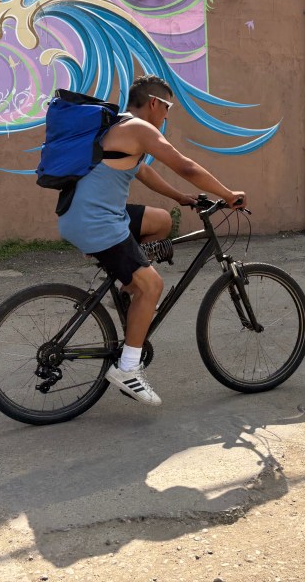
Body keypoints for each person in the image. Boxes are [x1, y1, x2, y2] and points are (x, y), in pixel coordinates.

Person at [57, 76, 245, 406]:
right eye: (168, 108)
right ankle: (128, 368)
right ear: (155, 103)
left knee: (160, 220)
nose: (167, 116)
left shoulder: (119, 125)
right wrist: (228, 195)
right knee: (153, 286)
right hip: (98, 222)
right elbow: (184, 165)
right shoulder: (142, 130)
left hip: (81, 214)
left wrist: (182, 198)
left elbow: (143, 172)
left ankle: (130, 293)